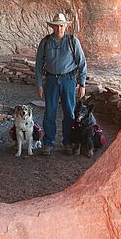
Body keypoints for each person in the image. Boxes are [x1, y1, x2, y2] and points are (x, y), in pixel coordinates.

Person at [34, 12, 87, 155]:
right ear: (53, 27)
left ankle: (68, 142)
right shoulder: (45, 41)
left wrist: (82, 84)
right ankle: (48, 143)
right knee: (49, 112)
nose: (59, 29)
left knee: (69, 112)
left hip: (68, 80)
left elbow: (82, 63)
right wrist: (39, 84)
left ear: (65, 26)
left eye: (62, 26)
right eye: (57, 26)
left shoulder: (72, 41)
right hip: (51, 80)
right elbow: (39, 64)